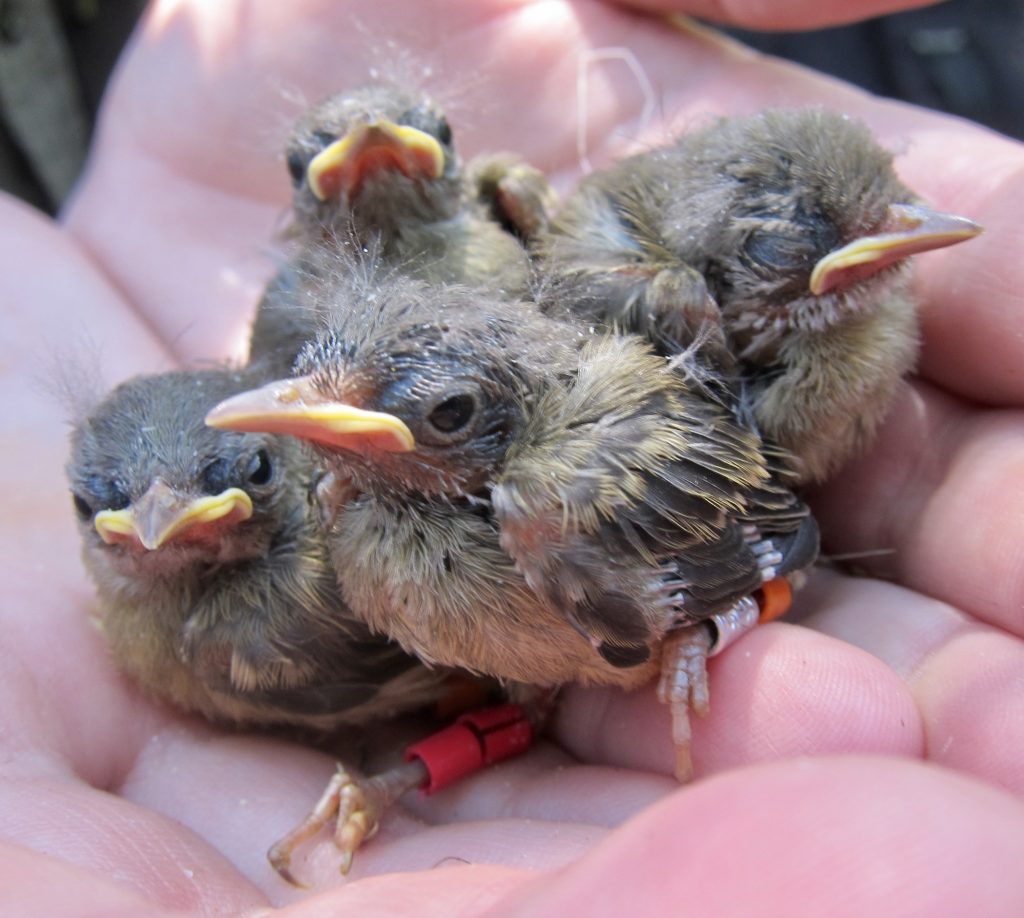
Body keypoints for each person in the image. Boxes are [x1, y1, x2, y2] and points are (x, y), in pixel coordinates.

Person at [3, 0, 1023, 912]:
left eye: (438, 414)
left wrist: (733, 609)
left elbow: (772, 532)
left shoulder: (557, 510)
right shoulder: (347, 507)